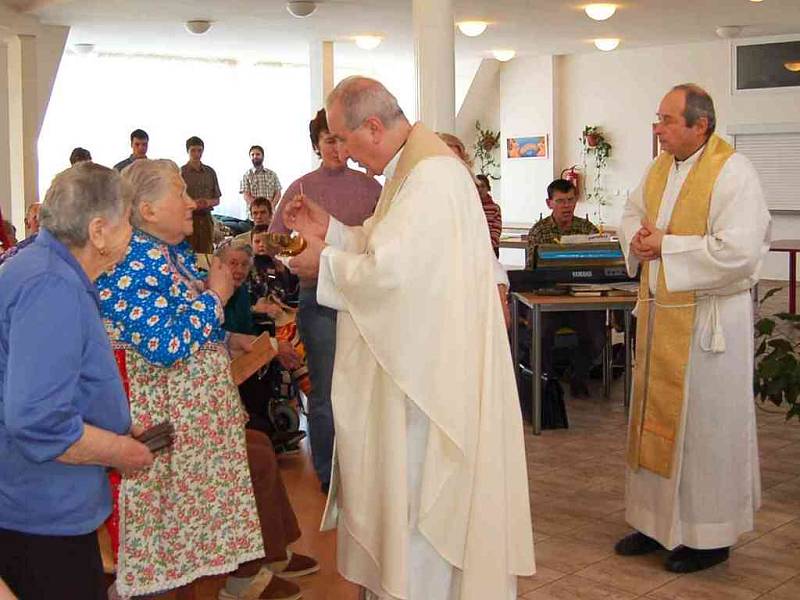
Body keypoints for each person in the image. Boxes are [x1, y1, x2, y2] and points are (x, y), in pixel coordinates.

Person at [284, 76, 533, 600]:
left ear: (373, 127)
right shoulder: (413, 171)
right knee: (407, 502)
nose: (346, 157)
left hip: (428, 382)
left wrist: (322, 266)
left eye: (345, 141)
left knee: (422, 504)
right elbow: (384, 246)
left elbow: (392, 278)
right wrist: (328, 229)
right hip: (421, 366)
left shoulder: (432, 177)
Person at [616, 83, 770, 573]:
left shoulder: (733, 172)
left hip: (709, 327)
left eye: (666, 120)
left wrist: (667, 247)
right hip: (663, 313)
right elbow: (631, 214)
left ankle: (710, 535)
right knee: (652, 422)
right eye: (657, 119)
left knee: (706, 431)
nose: (657, 129)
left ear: (700, 125)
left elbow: (740, 250)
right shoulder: (659, 168)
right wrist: (638, 240)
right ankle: (654, 523)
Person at [97, 159, 266, 598]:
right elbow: (164, 343)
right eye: (181, 193)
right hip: (164, 428)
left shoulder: (165, 255)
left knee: (189, 552)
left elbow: (183, 325)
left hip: (191, 433)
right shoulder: (130, 261)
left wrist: (224, 330)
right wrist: (216, 297)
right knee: (162, 553)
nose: (193, 202)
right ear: (148, 209)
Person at [0, 162, 153, 600]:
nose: (132, 235)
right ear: (99, 230)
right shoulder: (52, 285)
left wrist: (114, 430)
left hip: (39, 502)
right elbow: (38, 420)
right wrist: (121, 450)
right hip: (38, 512)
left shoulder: (46, 267)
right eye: (128, 222)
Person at [270, 107, 381, 493]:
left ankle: (366, 471)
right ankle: (328, 474)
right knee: (326, 389)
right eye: (328, 140)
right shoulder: (301, 188)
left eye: (341, 139)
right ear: (317, 144)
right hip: (318, 299)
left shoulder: (372, 188)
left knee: (367, 389)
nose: (336, 148)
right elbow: (277, 242)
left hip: (366, 299)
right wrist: (297, 260)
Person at [526, 179, 605, 396]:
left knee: (597, 336)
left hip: (582, 300)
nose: (566, 206)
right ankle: (549, 383)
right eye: (560, 201)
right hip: (549, 300)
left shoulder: (587, 228)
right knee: (540, 335)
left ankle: (577, 375)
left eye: (570, 200)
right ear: (549, 203)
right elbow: (531, 272)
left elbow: (598, 265)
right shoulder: (539, 231)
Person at [181, 135, 222, 254]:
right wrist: (192, 203)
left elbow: (217, 199)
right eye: (193, 150)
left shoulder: (210, 172)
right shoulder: (181, 173)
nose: (196, 154)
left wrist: (207, 202)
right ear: (187, 151)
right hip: (188, 218)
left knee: (206, 254)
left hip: (206, 218)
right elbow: (176, 200)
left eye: (199, 150)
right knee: (187, 254)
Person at [241, 145, 281, 209]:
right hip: (253, 216)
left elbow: (278, 193)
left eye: (258, 154)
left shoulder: (272, 174)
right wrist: (258, 208)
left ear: (263, 156)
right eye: (252, 155)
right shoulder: (246, 176)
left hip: (270, 215)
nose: (255, 156)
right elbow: (246, 196)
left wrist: (270, 207)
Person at [475, 174, 501, 257]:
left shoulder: (495, 208)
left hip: (490, 249)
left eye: (483, 186)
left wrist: (487, 247)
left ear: (488, 188)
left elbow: (496, 230)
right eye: (477, 187)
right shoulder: (469, 207)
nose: (480, 190)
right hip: (473, 250)